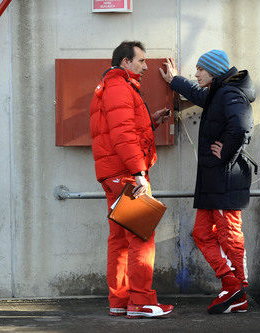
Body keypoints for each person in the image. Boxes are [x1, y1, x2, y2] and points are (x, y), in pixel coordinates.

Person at [160, 50, 255, 314]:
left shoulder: (230, 92)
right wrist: (175, 80)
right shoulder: (217, 92)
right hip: (212, 179)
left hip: (226, 177)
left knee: (229, 234)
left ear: (212, 71)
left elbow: (243, 125)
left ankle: (238, 290)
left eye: (201, 69)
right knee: (202, 234)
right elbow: (200, 95)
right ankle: (232, 285)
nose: (196, 73)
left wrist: (225, 152)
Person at [89, 41, 173, 318]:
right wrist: (139, 173)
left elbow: (123, 127)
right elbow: (123, 134)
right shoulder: (119, 87)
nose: (145, 66)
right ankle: (141, 302)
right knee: (140, 237)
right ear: (125, 62)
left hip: (115, 173)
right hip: (126, 173)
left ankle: (120, 301)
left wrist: (151, 121)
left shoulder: (113, 86)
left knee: (120, 240)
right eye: (141, 61)